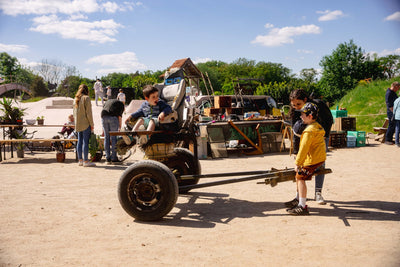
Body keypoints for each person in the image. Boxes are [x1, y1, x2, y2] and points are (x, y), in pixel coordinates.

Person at [289, 89, 333, 204]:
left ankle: (318, 193)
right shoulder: (296, 112)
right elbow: (295, 132)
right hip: (306, 136)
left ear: (305, 100)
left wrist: (324, 135)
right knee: (300, 166)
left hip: (320, 136)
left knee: (320, 163)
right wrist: (295, 151)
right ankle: (298, 195)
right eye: (293, 105)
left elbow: (329, 120)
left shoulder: (317, 106)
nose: (296, 107)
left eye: (298, 104)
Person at [285, 102, 327, 215]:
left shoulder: (309, 131)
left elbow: (303, 149)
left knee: (300, 177)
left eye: (303, 114)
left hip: (314, 159)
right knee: (299, 175)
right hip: (319, 157)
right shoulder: (316, 126)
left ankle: (302, 206)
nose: (300, 116)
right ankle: (299, 199)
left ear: (310, 116)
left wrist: (297, 163)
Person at [73, 84, 95, 167]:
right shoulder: (86, 98)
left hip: (78, 124)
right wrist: (92, 124)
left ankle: (80, 160)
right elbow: (89, 113)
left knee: (79, 141)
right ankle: (86, 161)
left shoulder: (75, 99)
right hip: (85, 123)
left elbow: (74, 113)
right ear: (86, 90)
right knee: (85, 142)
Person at [101, 99, 125, 164]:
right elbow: (119, 117)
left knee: (107, 137)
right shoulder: (121, 105)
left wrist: (102, 130)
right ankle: (114, 158)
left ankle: (107, 157)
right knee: (114, 138)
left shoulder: (108, 102)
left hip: (104, 117)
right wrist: (120, 127)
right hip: (113, 118)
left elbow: (104, 110)